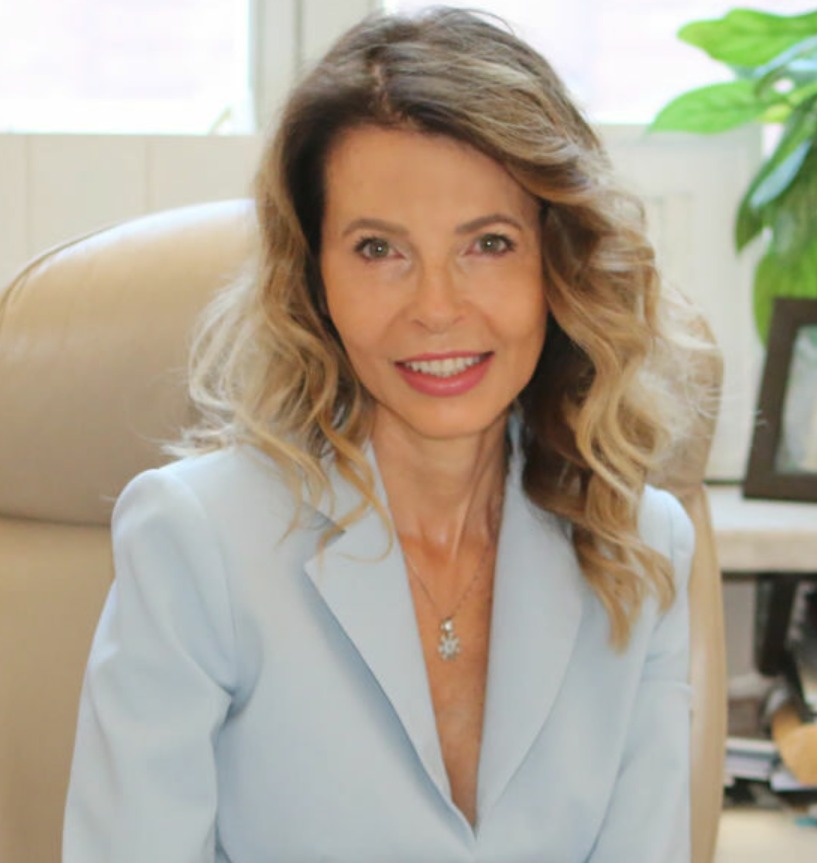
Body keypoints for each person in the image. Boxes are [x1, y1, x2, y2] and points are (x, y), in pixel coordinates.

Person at [64, 7, 706, 862]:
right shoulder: (199, 538)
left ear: (558, 261)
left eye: (487, 243)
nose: (436, 307)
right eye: (378, 250)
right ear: (313, 276)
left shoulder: (639, 545)